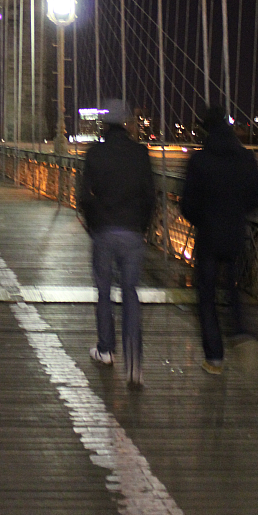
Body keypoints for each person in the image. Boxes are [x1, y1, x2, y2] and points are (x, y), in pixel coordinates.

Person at [181, 105, 258, 375]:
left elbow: (187, 205)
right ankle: (241, 331)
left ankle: (215, 358)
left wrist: (203, 219)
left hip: (207, 238)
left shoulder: (198, 161)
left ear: (204, 128)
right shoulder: (247, 158)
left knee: (206, 297)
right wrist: (237, 214)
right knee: (233, 289)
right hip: (235, 236)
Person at [77, 99, 155, 387]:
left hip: (105, 232)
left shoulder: (95, 154)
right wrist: (141, 227)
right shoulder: (140, 154)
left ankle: (106, 350)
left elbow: (85, 197)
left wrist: (95, 225)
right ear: (127, 122)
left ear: (103, 124)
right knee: (131, 295)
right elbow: (150, 197)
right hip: (133, 232)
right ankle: (134, 365)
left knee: (104, 291)